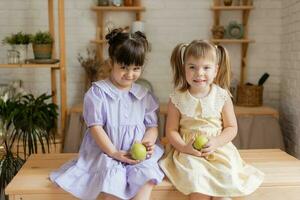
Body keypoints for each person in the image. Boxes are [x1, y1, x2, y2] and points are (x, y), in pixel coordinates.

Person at [50, 28, 164, 200]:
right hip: (107, 153)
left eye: (136, 68)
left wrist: (147, 141)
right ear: (111, 62)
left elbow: (152, 126)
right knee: (111, 186)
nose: (130, 74)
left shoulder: (143, 95)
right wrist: (113, 152)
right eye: (124, 67)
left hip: (136, 156)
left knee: (146, 180)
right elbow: (95, 127)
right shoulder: (98, 93)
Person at [159, 40, 264, 200]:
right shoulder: (177, 98)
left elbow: (231, 128)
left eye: (206, 67)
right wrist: (183, 147)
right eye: (192, 67)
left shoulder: (222, 96)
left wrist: (216, 142)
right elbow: (171, 130)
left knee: (225, 183)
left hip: (218, 149)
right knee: (197, 184)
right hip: (189, 152)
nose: (199, 73)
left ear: (215, 70)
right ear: (184, 69)